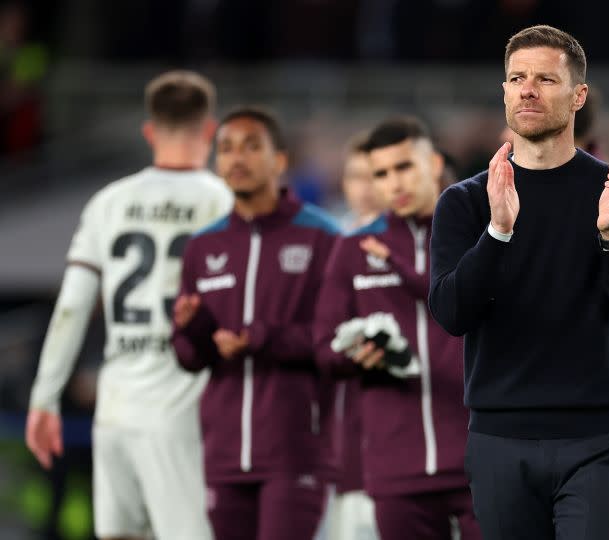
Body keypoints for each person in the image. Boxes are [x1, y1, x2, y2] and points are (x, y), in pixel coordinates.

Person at [429, 25, 609, 540]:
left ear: (578, 95)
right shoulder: (466, 202)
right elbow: (451, 314)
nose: (528, 89)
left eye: (545, 78)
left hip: (601, 434)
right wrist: (498, 232)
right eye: (516, 78)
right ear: (505, 91)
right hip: (500, 435)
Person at [25, 70, 232, 540]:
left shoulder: (109, 202)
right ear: (209, 130)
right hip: (183, 406)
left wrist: (44, 398)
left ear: (149, 131)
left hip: (115, 405)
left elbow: (72, 307)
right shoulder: (222, 203)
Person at [171, 107, 340, 540]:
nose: (236, 158)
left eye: (251, 146)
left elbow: (334, 338)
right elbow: (189, 358)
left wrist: (260, 337)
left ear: (279, 160)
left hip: (294, 449)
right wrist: (191, 331)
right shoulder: (202, 246)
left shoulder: (322, 236)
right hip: (223, 451)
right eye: (225, 148)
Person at [314, 117, 479, 540]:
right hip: (395, 466)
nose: (393, 183)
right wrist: (355, 355)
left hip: (481, 457)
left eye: (404, 167)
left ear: (435, 162)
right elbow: (323, 346)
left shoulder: (480, 236)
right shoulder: (353, 250)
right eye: (381, 174)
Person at [323, 131, 384, 540]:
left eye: (373, 175)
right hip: (341, 425)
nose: (363, 188)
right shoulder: (329, 244)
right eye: (354, 176)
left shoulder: (422, 242)